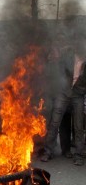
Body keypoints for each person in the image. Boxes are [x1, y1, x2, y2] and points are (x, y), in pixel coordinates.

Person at [40, 26, 86, 166]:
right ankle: (48, 151)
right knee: (54, 123)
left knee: (78, 126)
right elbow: (55, 69)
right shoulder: (67, 54)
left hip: (78, 95)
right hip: (63, 93)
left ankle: (78, 155)